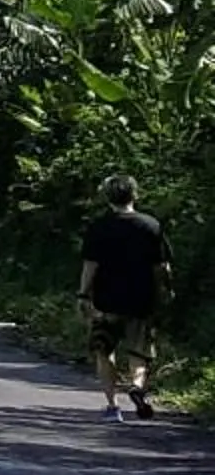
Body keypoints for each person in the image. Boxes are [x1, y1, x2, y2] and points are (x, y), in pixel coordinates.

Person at [80, 174, 174, 421]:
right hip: (141, 298)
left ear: (108, 197)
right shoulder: (151, 226)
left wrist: (83, 294)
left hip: (106, 300)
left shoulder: (99, 227)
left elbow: (91, 264)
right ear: (135, 194)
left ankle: (112, 406)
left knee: (103, 351)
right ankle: (137, 386)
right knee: (140, 351)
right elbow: (161, 266)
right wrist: (166, 289)